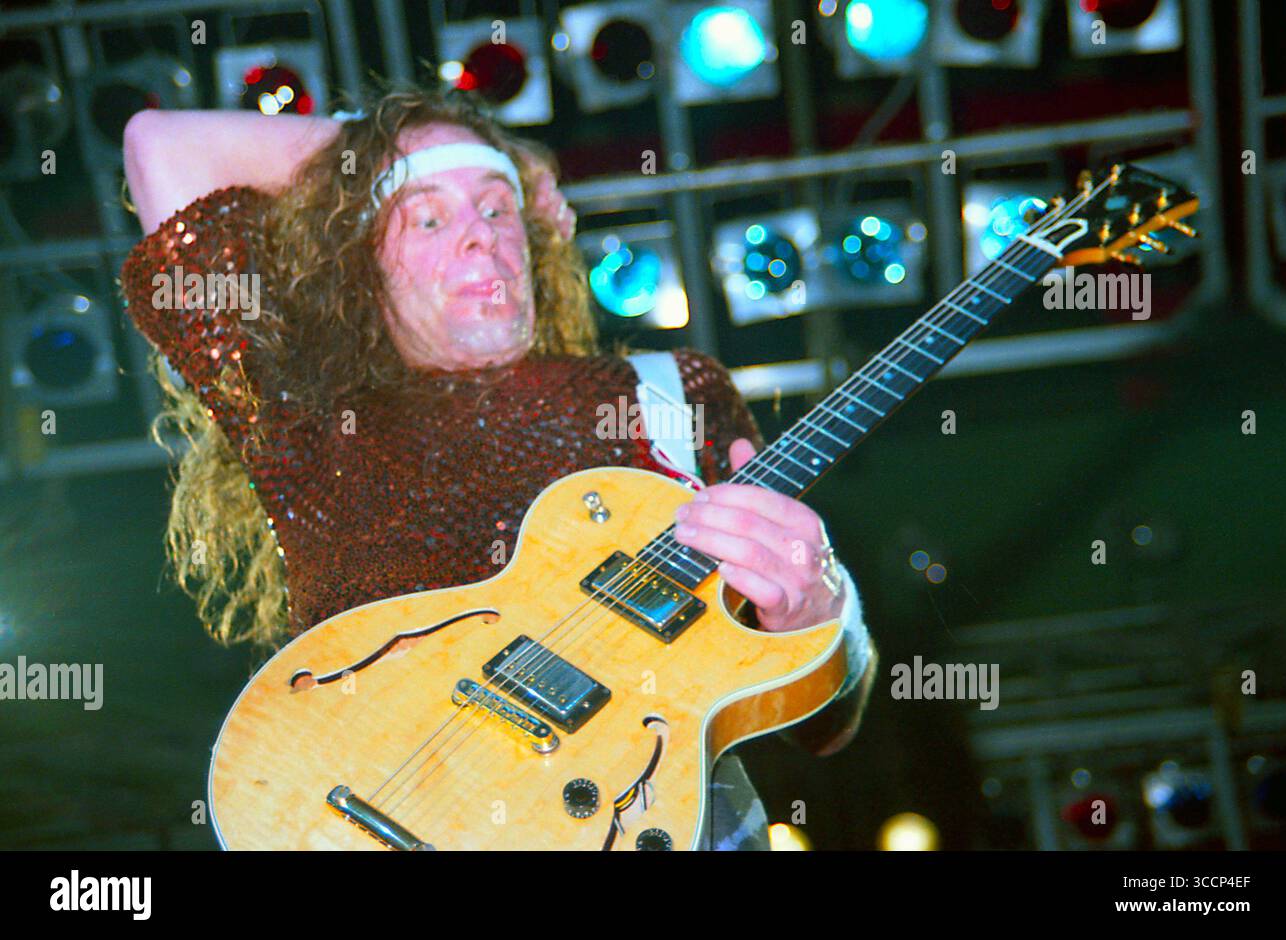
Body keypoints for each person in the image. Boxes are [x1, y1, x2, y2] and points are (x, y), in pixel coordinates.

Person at [120, 85, 875, 851]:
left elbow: (827, 726)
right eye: (428, 217)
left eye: (496, 205)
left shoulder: (670, 394)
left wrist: (818, 605)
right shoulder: (305, 416)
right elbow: (160, 143)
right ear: (357, 263)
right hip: (370, 815)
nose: (481, 236)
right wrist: (413, 151)